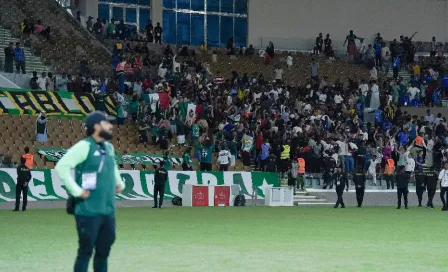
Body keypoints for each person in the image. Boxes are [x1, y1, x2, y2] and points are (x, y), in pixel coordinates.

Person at [54, 111, 125, 272]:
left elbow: (113, 167)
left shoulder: (109, 148)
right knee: (85, 253)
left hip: (107, 210)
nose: (110, 126)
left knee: (103, 253)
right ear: (96, 126)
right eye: (107, 123)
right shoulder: (83, 146)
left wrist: (119, 183)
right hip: (88, 211)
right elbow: (61, 167)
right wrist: (77, 191)